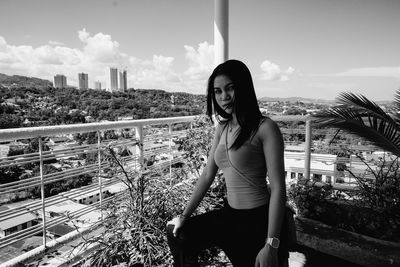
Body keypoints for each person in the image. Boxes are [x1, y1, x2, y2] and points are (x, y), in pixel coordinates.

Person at [166, 59, 289, 267]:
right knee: (178, 232)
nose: (224, 97)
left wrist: (271, 245)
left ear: (244, 87)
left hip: (258, 221)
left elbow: (278, 189)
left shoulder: (265, 128)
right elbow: (207, 175)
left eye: (230, 88)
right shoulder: (222, 128)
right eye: (218, 91)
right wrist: (184, 215)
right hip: (230, 216)